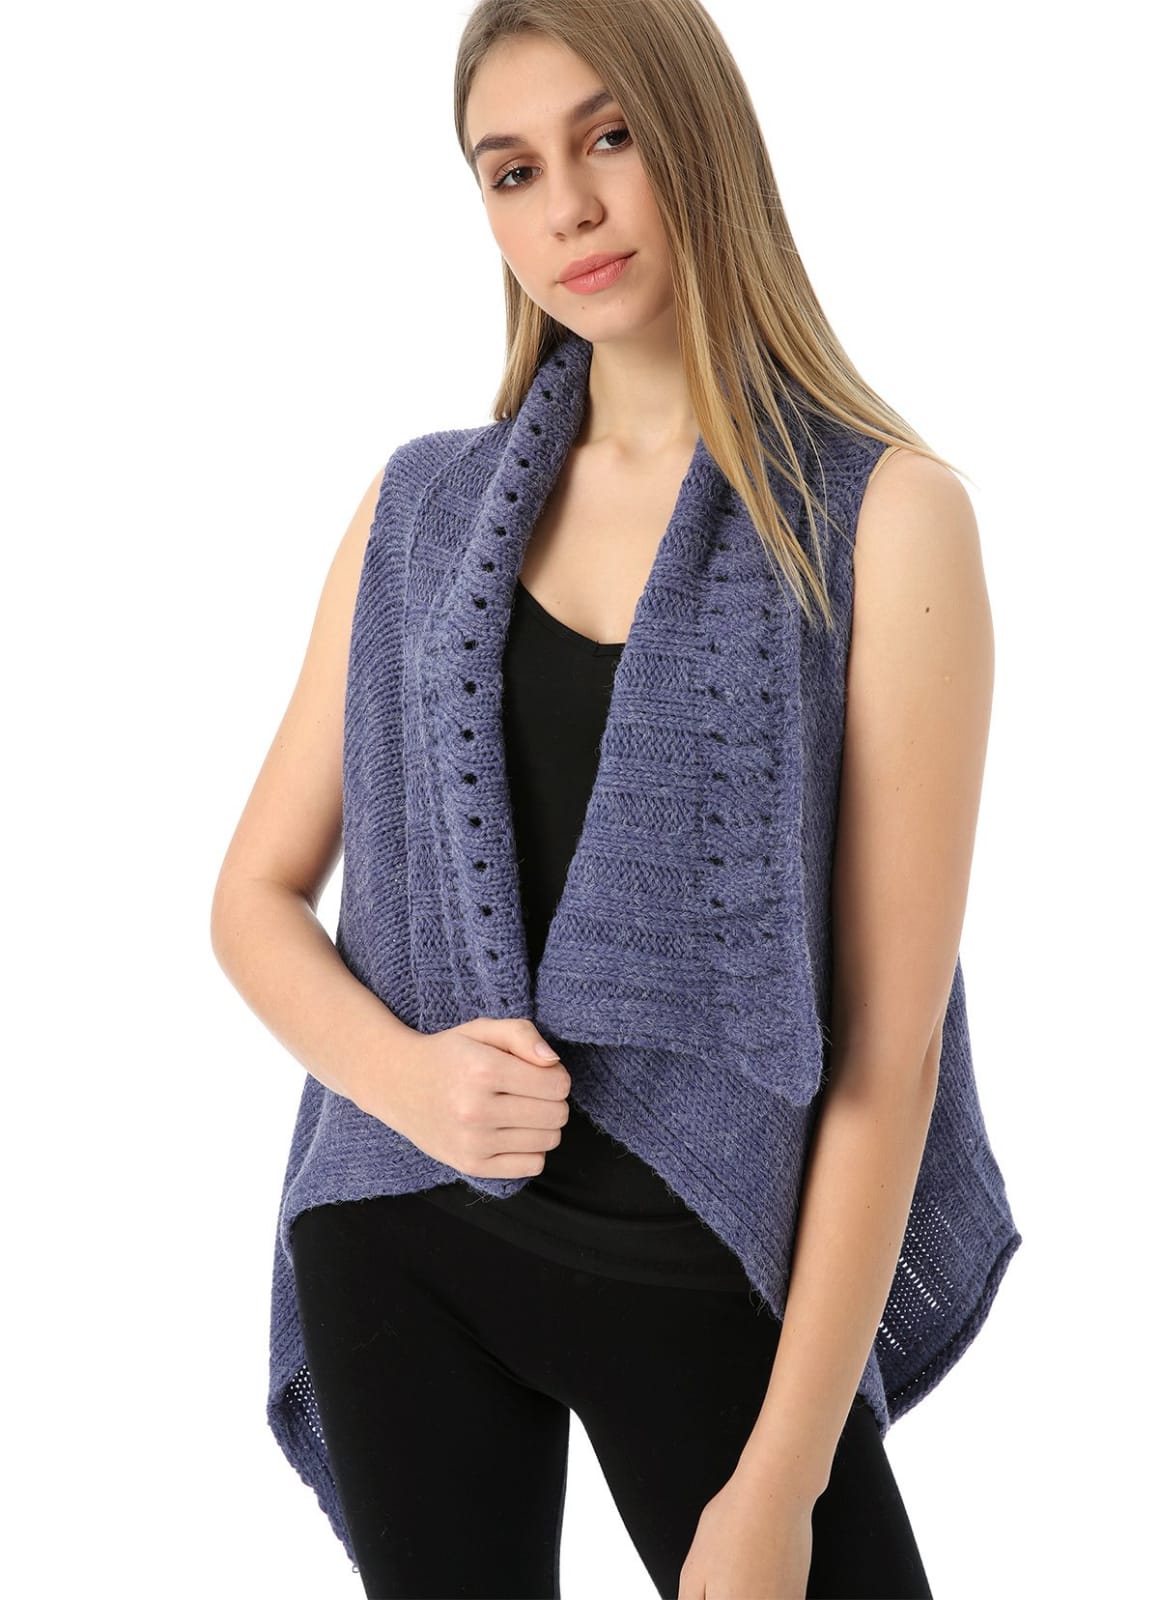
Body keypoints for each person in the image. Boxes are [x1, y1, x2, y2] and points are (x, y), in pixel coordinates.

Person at [211, 2, 1022, 1596]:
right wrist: (408, 1080)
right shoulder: (420, 507)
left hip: (696, 1253)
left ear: (697, 136)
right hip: (403, 1228)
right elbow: (251, 898)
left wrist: (783, 1481)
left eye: (610, 137)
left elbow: (890, 1051)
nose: (568, 208)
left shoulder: (882, 519)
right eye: (512, 171)